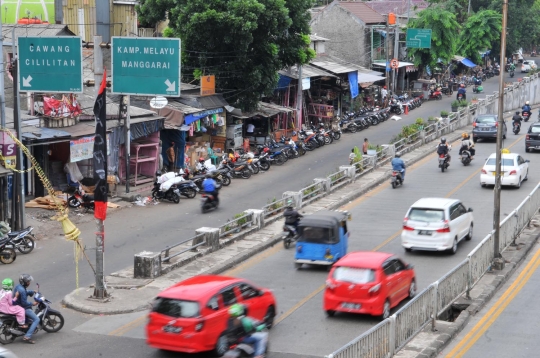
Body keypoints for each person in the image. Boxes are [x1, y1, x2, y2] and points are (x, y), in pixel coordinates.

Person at [13, 274, 39, 344]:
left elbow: (25, 292)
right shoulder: (22, 290)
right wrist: (32, 303)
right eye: (28, 281)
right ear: (24, 282)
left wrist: (32, 291)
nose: (29, 283)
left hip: (15, 305)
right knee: (37, 319)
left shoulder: (19, 286)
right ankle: (28, 336)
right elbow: (24, 303)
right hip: (22, 307)